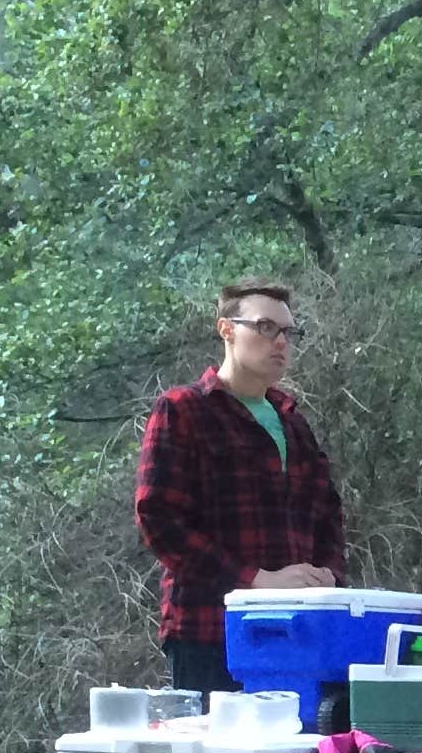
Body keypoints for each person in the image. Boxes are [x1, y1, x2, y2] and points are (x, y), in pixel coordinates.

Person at [133, 281, 346, 697]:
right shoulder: (182, 410)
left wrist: (328, 576)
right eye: (265, 327)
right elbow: (159, 520)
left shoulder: (293, 423)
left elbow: (327, 514)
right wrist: (254, 580)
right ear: (226, 329)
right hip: (210, 631)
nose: (280, 341)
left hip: (294, 633)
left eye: (288, 332)